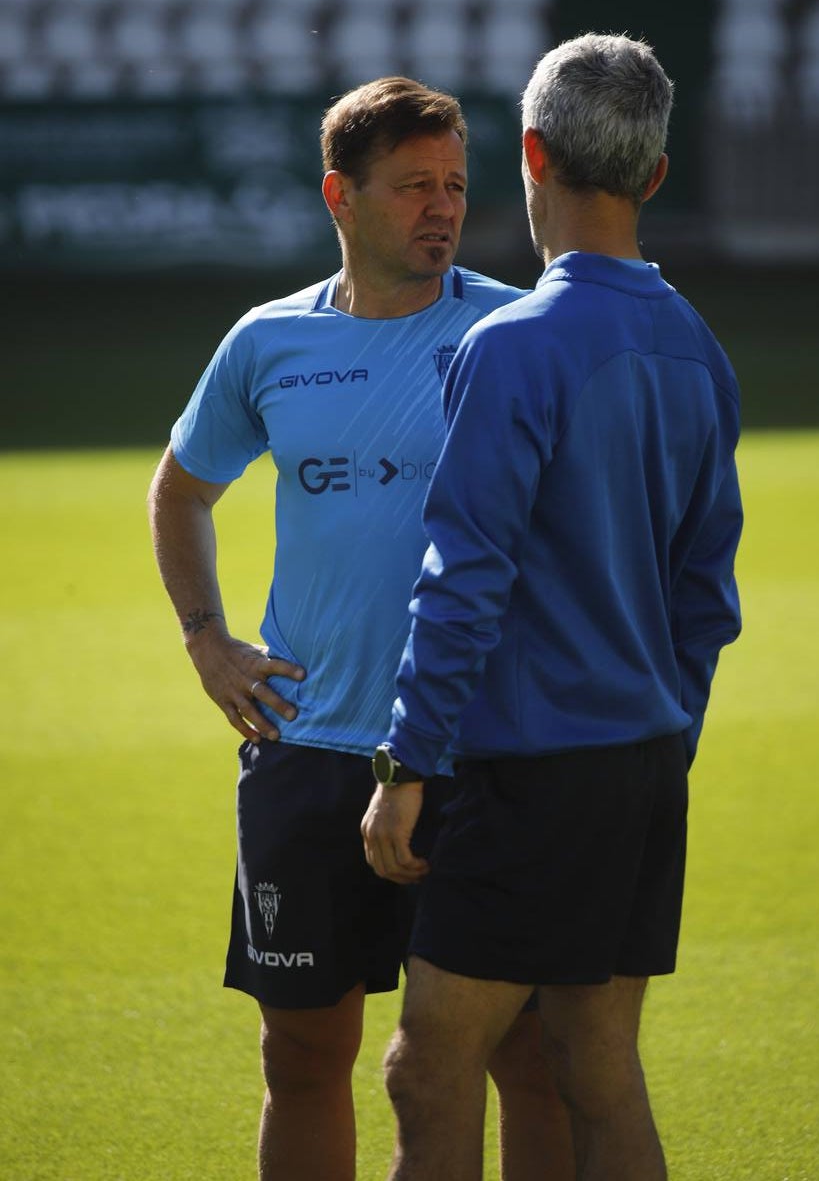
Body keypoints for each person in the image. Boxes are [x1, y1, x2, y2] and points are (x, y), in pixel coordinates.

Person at [147, 76, 574, 1181]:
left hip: (475, 760)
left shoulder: (507, 331)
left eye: (456, 186)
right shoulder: (267, 343)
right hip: (306, 755)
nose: (442, 208)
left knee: (523, 1056)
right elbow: (181, 489)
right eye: (412, 188)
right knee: (302, 1053)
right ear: (341, 195)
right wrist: (207, 638)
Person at [362, 34, 744, 1181]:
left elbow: (463, 577)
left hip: (530, 774)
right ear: (657, 176)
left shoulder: (511, 345)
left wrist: (404, 767)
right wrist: (664, 736)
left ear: (529, 153)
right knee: (596, 1064)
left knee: (427, 1069)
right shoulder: (698, 350)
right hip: (639, 763)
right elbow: (705, 597)